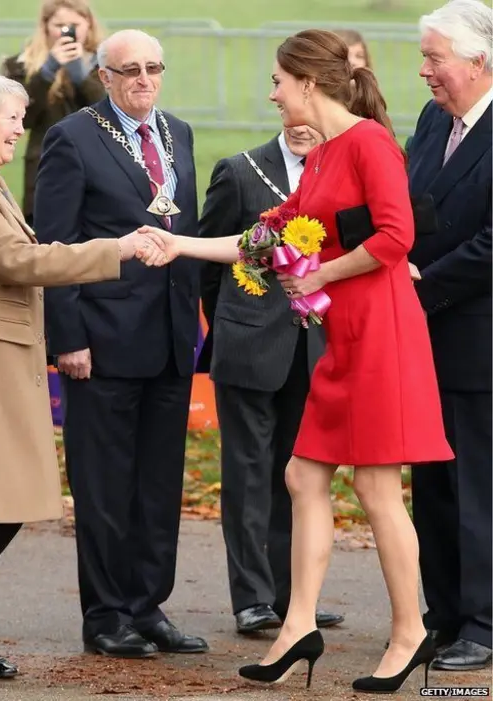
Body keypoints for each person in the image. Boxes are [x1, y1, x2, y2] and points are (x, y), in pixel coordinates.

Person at [139, 28, 454, 694]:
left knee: (373, 489)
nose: (273, 94)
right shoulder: (322, 157)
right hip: (344, 339)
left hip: (381, 335)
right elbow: (263, 236)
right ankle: (297, 626)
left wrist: (321, 276)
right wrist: (178, 245)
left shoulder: (368, 143)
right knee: (303, 475)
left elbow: (397, 237)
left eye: (280, 82)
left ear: (309, 83)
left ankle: (409, 633)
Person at [0, 68, 164, 678]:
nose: (22, 127)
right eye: (13, 117)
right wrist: (116, 248)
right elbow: (18, 259)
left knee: (10, 497)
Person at [34, 29, 207, 659]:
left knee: (159, 483)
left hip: (168, 336)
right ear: (104, 76)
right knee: (105, 485)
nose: (143, 79)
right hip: (101, 341)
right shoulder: (73, 138)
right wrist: (67, 338)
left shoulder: (178, 133)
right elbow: (54, 248)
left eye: (153, 68)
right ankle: (106, 615)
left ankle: (147, 605)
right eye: (129, 69)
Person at [198, 122, 343, 635]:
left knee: (301, 475)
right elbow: (209, 265)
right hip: (248, 348)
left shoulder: (338, 172)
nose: (303, 125)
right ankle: (252, 598)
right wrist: (234, 327)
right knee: (248, 474)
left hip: (313, 346)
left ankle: (293, 595)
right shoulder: (239, 171)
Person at [407, 0, 492, 672]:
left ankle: (485, 623)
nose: (425, 71)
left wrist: (419, 284)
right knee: (433, 482)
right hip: (421, 341)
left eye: (436, 58)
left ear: (479, 61)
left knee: (478, 487)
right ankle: (444, 615)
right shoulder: (433, 121)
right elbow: (410, 205)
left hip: (477, 340)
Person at [2, 0, 105, 226]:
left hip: (98, 166)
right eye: (59, 24)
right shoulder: (21, 65)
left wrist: (81, 77)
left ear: (88, 24)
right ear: (45, 26)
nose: (66, 30)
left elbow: (109, 112)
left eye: (74, 24)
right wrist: (47, 72)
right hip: (45, 167)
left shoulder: (105, 65)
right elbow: (20, 118)